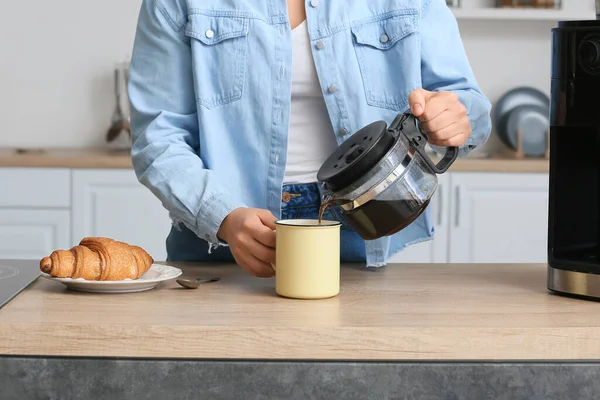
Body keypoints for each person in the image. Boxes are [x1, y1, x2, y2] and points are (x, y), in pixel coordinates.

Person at [127, 0, 492, 278]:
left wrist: (454, 118)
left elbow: (467, 103)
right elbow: (157, 135)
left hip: (360, 225)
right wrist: (222, 216)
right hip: (222, 235)